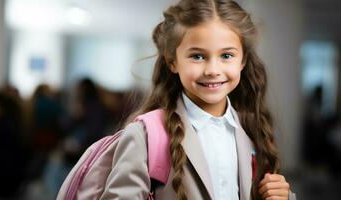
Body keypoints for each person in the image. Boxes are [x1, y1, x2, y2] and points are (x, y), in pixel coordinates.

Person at [101, 0, 296, 199]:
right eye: (197, 56)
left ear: (243, 60)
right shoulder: (145, 135)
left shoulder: (253, 130)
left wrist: (283, 196)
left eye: (227, 55)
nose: (213, 70)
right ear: (172, 61)